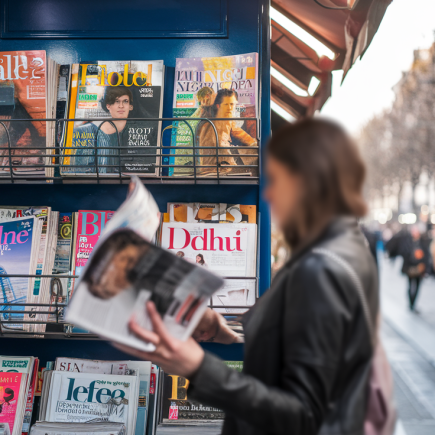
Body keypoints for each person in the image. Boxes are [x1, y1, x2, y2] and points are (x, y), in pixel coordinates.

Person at [115, 119, 379, 435]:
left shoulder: (321, 270)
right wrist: (225, 332)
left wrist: (198, 368)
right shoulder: (339, 249)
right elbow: (295, 357)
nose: (268, 192)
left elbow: (305, 415)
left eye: (277, 179)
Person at [197, 89, 258, 174]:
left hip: (220, 170)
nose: (230, 108)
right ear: (218, 106)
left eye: (232, 104)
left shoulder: (228, 122)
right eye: (226, 104)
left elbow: (245, 138)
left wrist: (255, 144)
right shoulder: (209, 125)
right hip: (215, 173)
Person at [400, 225, 429, 311]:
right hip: (410, 268)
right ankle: (410, 303)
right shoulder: (408, 242)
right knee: (410, 286)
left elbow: (426, 255)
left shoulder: (423, 242)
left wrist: (423, 264)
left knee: (417, 286)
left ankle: (413, 303)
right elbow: (403, 253)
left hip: (420, 268)